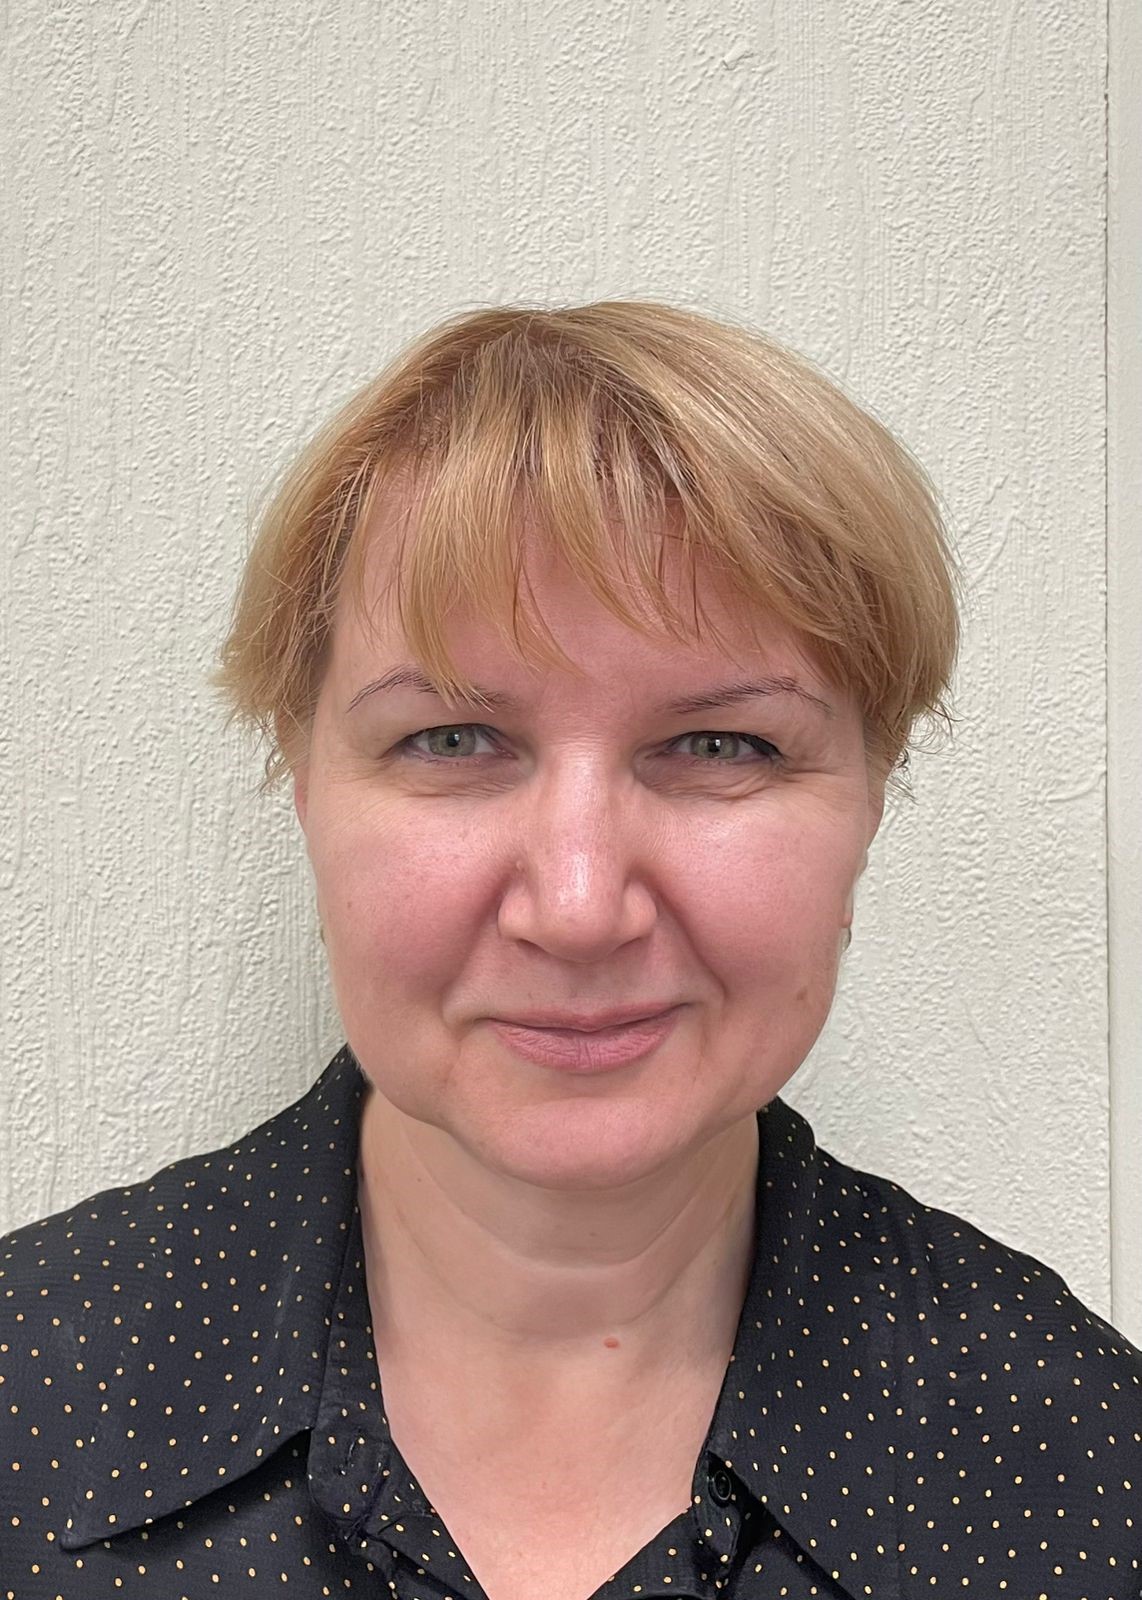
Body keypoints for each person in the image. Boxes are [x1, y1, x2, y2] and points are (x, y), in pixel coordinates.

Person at [1, 300, 1139, 1600]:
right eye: (449, 740)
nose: (581, 905)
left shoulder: (1093, 1479)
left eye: (721, 745)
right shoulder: (29, 1399)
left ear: (869, 802)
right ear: (303, 788)